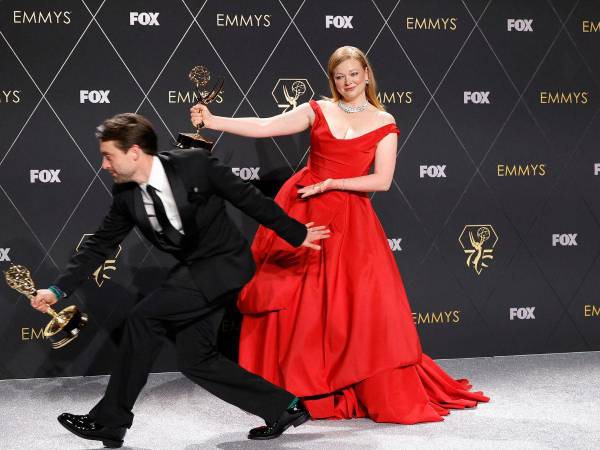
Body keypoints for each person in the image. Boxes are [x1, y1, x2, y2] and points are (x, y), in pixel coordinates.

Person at [189, 45, 489, 424]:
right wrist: (214, 121)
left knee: (353, 307)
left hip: (350, 220)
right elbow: (266, 126)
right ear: (332, 80)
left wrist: (333, 182)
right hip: (303, 209)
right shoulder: (318, 109)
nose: (347, 82)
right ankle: (294, 390)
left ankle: (352, 380)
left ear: (366, 73)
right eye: (339, 76)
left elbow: (382, 180)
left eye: (353, 74)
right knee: (299, 301)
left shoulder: (384, 121)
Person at [30, 113, 331, 447]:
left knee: (143, 318)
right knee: (196, 358)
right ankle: (283, 407)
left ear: (133, 152)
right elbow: (99, 245)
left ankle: (110, 420)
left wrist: (295, 232)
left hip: (224, 265)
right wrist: (58, 290)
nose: (104, 165)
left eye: (108, 156)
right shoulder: (126, 196)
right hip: (194, 270)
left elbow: (248, 199)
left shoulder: (195, 165)